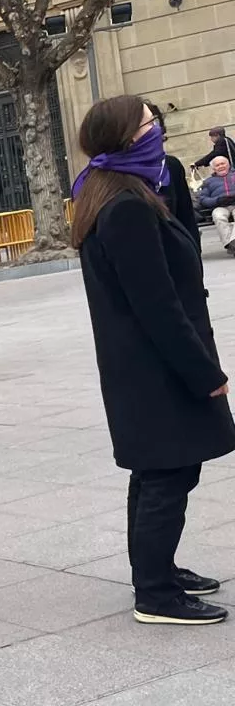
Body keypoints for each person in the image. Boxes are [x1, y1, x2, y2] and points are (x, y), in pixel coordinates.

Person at [71, 94, 230, 626]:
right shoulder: (126, 207)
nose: (156, 127)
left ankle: (157, 570)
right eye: (147, 122)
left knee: (158, 470)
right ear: (127, 137)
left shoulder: (115, 193)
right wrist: (206, 374)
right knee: (168, 472)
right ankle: (155, 594)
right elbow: (157, 305)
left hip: (140, 365)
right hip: (156, 367)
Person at [146, 101, 201, 238]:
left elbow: (187, 219)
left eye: (156, 121)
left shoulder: (171, 165)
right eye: (148, 123)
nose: (155, 129)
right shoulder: (111, 175)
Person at [195, 156, 235, 256]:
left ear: (228, 164)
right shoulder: (209, 182)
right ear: (213, 168)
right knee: (218, 215)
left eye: (223, 163)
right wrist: (217, 200)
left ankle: (233, 241)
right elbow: (203, 199)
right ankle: (230, 243)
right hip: (220, 205)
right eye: (217, 165)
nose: (221, 166)